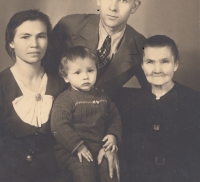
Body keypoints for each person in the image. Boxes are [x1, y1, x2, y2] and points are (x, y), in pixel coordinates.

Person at [45, 0, 148, 98]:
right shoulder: (68, 26)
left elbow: (155, 89)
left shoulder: (140, 45)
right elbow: (42, 71)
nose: (113, 7)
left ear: (134, 6)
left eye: (123, 0)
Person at [0, 9, 68, 182]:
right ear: (11, 42)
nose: (35, 44)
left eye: (41, 36)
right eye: (25, 37)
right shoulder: (2, 84)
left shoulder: (61, 83)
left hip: (55, 175)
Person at [124, 35, 200, 181]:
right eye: (150, 62)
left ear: (175, 64)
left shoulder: (194, 101)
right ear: (142, 65)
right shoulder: (129, 103)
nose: (157, 70)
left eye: (165, 61)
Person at [51, 46, 122, 182]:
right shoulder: (65, 99)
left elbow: (114, 117)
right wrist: (78, 146)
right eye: (77, 73)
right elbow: (58, 126)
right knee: (85, 171)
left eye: (90, 70)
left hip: (99, 146)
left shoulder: (102, 97)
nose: (85, 77)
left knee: (110, 171)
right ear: (66, 77)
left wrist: (113, 134)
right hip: (72, 150)